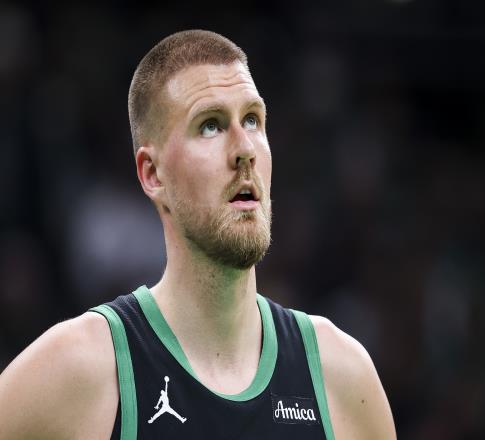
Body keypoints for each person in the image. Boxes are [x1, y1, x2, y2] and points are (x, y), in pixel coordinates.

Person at [0, 30, 396, 439]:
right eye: (210, 126)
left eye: (252, 120)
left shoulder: (341, 378)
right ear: (153, 174)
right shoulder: (81, 369)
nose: (245, 149)